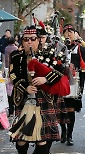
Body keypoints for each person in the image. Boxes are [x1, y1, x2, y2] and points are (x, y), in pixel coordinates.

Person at [8, 25, 68, 154]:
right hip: (24, 99)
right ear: (22, 41)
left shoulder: (48, 54)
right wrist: (25, 87)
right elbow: (13, 75)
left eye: (33, 39)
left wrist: (45, 79)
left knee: (43, 138)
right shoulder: (16, 56)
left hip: (44, 98)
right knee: (20, 139)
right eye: (26, 39)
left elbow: (60, 72)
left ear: (38, 40)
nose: (29, 42)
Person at [60, 24, 85, 146]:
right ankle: (64, 131)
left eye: (71, 31)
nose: (69, 33)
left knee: (70, 109)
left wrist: (80, 41)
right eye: (66, 31)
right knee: (61, 108)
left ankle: (69, 135)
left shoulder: (78, 47)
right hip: (61, 80)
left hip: (74, 81)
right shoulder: (59, 47)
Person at [5, 37, 18, 117]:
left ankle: (10, 111)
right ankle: (15, 109)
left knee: (8, 89)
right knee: (14, 88)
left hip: (8, 70)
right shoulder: (15, 48)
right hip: (15, 70)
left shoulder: (6, 48)